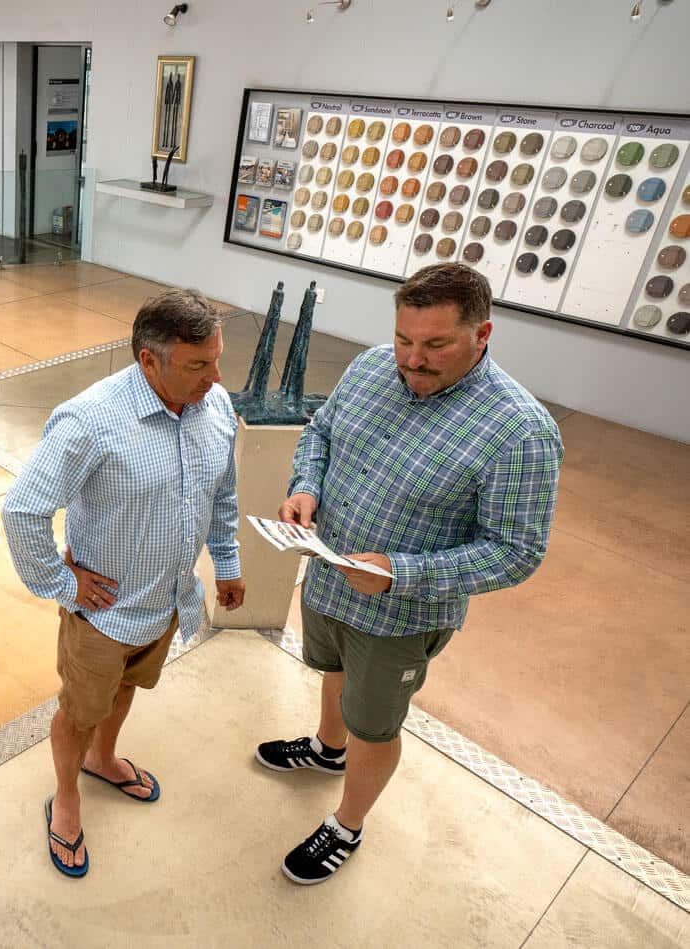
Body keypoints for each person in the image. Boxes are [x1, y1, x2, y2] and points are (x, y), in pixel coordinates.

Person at [257, 262, 562, 885]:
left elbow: (515, 551)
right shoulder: (370, 367)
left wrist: (401, 574)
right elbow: (321, 433)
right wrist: (306, 489)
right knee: (334, 671)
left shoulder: (520, 432)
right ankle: (325, 749)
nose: (412, 360)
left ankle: (347, 824)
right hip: (329, 576)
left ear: (483, 334)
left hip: (400, 614)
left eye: (435, 345)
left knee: (375, 721)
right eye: (404, 339)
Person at [2, 288, 246, 879]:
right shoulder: (91, 420)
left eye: (215, 359)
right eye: (197, 365)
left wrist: (229, 562)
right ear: (148, 361)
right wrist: (63, 584)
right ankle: (65, 797)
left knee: (128, 688)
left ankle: (103, 759)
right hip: (103, 616)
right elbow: (22, 510)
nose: (214, 377)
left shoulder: (213, 406)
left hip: (166, 602)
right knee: (79, 710)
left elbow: (223, 493)